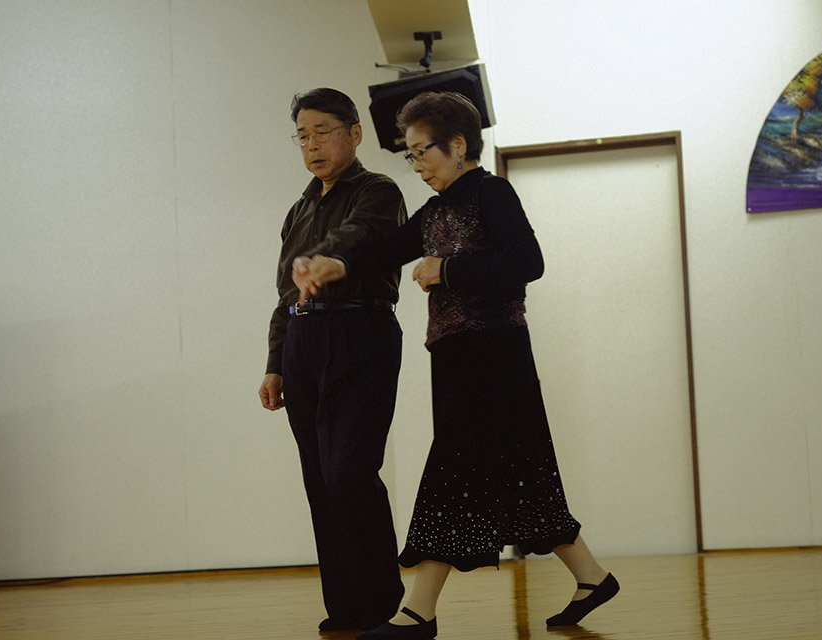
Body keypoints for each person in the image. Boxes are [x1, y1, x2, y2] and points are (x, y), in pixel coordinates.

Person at [293, 91, 619, 640]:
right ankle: (592, 577)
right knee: (524, 475)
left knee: (451, 472)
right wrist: (333, 264)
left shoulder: (491, 193)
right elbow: (385, 249)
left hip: (496, 354)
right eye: (411, 155)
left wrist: (447, 270)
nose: (417, 164)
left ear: (459, 145)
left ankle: (418, 611)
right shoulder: (435, 209)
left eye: (423, 151)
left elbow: (527, 261)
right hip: (454, 355)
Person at [257, 87, 407, 633]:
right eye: (302, 136)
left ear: (354, 133)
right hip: (303, 341)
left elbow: (361, 235)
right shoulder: (297, 210)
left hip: (360, 332)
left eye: (323, 132)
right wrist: (275, 361)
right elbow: (284, 292)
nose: (312, 145)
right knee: (320, 479)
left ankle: (382, 603)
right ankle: (345, 606)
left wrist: (324, 260)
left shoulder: (378, 190)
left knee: (350, 473)